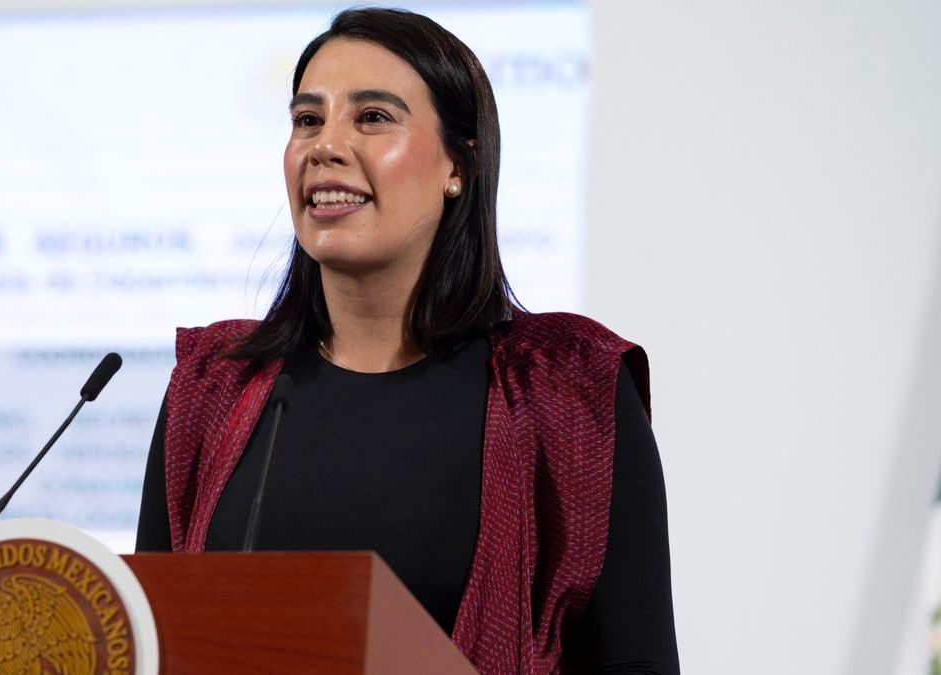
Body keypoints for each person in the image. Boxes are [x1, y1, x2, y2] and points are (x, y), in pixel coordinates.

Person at [136, 8, 679, 674]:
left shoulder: (569, 391)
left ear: (459, 163)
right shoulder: (213, 386)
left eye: (372, 117)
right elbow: (144, 644)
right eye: (307, 119)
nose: (325, 146)